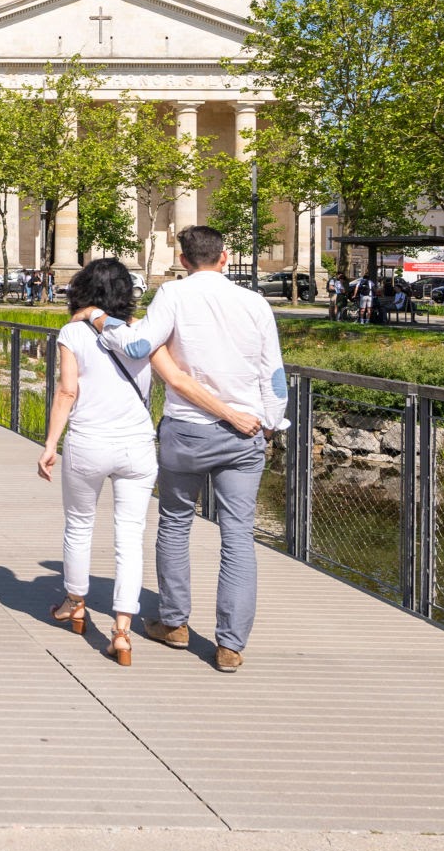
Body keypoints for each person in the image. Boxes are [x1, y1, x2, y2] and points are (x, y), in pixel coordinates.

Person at [87, 225, 287, 673]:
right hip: (245, 432)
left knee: (176, 524)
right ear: (224, 257)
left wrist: (100, 318)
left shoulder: (174, 297)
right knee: (238, 535)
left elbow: (138, 345)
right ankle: (231, 644)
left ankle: (174, 623)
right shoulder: (255, 303)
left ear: (182, 259)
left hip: (188, 431)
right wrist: (270, 425)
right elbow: (273, 374)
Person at [37, 259, 157, 667]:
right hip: (138, 445)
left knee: (79, 524)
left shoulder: (73, 331)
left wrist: (51, 442)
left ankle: (75, 603)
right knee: (130, 536)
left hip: (89, 441)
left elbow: (67, 391)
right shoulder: (142, 332)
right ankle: (122, 630)